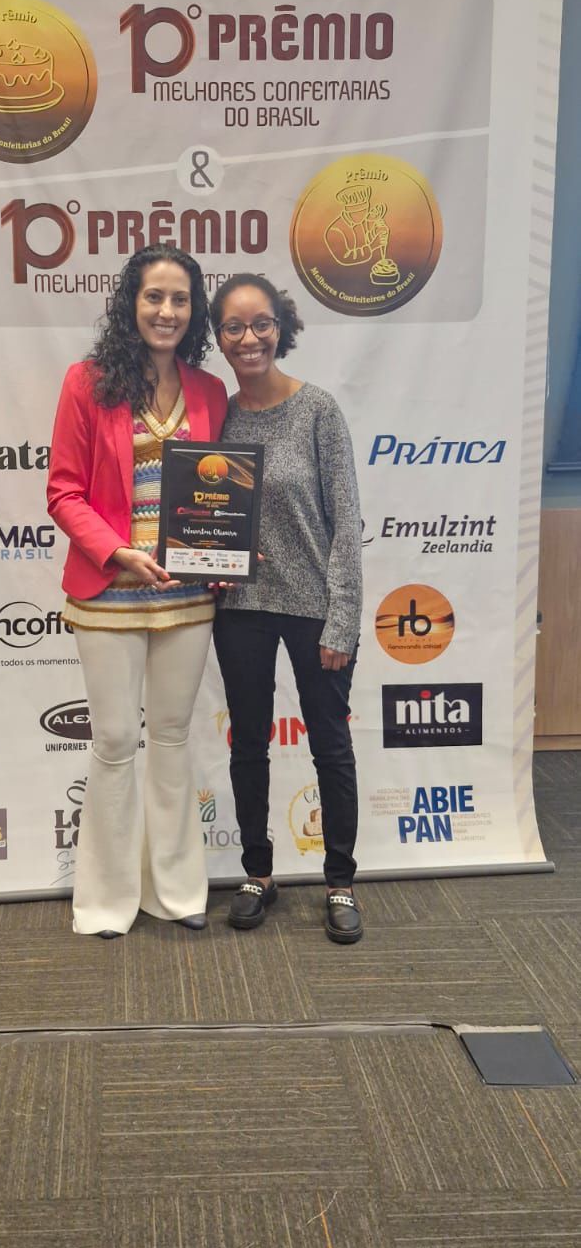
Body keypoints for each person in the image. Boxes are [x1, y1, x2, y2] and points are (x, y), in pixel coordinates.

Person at [47, 244, 227, 937]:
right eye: (154, 296)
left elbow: (224, 491)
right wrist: (116, 550)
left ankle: (176, 893)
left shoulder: (208, 391)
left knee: (175, 739)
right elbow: (63, 490)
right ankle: (105, 900)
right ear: (131, 302)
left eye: (180, 299)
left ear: (194, 311)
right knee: (117, 741)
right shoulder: (86, 383)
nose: (167, 311)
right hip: (107, 595)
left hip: (186, 598)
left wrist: (230, 548)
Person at [210, 273, 364, 943]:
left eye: (260, 323)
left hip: (314, 609)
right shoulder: (216, 417)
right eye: (233, 327)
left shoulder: (319, 411)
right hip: (240, 606)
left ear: (282, 327)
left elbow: (347, 520)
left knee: (330, 746)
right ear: (217, 338)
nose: (248, 337)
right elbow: (206, 518)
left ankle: (339, 881)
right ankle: (257, 873)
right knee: (248, 741)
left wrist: (344, 617)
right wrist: (215, 563)